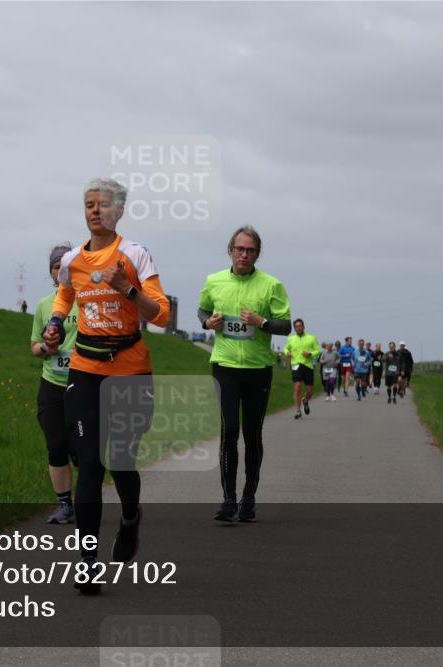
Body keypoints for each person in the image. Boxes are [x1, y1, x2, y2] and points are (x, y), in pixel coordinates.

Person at [42, 178, 171, 594]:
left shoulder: (134, 254)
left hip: (130, 370)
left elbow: (163, 316)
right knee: (90, 467)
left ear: (118, 211)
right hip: (84, 369)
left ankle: (131, 518)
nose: (95, 210)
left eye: (102, 205)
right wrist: (55, 323)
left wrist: (126, 289)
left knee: (120, 462)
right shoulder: (73, 261)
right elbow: (65, 294)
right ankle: (87, 563)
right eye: (88, 205)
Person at [198, 225, 291, 523]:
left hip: (258, 370)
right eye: (240, 249)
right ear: (231, 250)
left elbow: (285, 326)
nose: (245, 254)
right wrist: (207, 322)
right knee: (229, 431)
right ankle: (228, 500)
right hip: (224, 366)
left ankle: (249, 496)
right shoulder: (214, 281)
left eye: (250, 250)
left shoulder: (271, 285)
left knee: (252, 436)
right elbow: (201, 311)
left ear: (258, 254)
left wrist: (262, 322)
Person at [30, 244, 79, 525]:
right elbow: (34, 346)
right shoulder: (43, 305)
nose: (61, 270)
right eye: (56, 266)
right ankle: (64, 505)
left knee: (82, 448)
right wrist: (46, 349)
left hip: (83, 383)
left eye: (66, 265)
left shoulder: (87, 301)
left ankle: (87, 502)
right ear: (51, 272)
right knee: (55, 444)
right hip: (52, 384)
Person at [283, 318, 320, 419]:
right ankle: (298, 411)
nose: (298, 328)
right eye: (296, 326)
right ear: (294, 328)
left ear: (303, 326)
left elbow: (318, 350)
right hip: (296, 365)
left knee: (310, 391)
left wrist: (310, 354)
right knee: (297, 387)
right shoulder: (291, 339)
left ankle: (305, 400)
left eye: (300, 326)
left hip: (308, 365)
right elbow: (286, 348)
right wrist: (287, 353)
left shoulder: (311, 338)